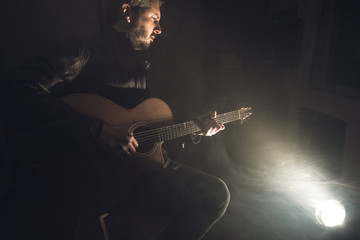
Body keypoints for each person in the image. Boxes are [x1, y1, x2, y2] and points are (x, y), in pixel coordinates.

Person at [0, 0, 230, 239]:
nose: (160, 28)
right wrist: (96, 131)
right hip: (87, 180)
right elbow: (11, 90)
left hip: (128, 174)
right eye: (154, 18)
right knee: (212, 196)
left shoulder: (140, 65)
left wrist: (194, 127)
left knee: (214, 194)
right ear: (127, 12)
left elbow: (141, 132)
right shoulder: (85, 49)